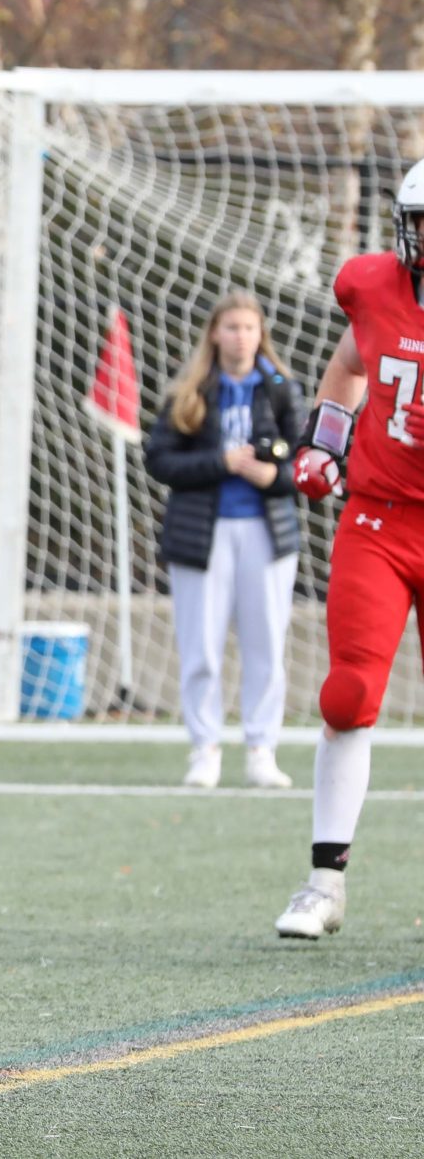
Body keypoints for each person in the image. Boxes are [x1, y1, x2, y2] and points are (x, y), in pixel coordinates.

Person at [272, 157, 424, 939]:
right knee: (347, 693)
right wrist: (327, 441)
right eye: (420, 222)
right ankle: (324, 882)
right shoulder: (372, 286)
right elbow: (349, 362)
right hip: (382, 517)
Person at [142, 292, 302, 790]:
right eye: (231, 327)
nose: (240, 337)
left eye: (249, 328)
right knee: (202, 648)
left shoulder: (281, 391)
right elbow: (160, 461)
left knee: (266, 645)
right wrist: (222, 464)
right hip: (201, 535)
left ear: (261, 334)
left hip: (267, 533)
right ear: (215, 333)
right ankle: (204, 748)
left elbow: (306, 466)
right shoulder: (190, 392)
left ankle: (261, 748)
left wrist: (269, 475)